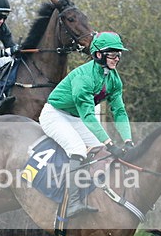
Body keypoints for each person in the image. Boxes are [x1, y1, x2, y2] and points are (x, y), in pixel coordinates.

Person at [39, 31, 134, 218]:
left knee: (101, 152)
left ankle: (93, 197)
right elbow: (89, 115)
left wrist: (128, 140)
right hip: (55, 115)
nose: (117, 58)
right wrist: (110, 144)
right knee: (78, 150)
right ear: (98, 54)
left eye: (118, 54)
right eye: (112, 54)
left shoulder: (114, 79)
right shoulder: (84, 78)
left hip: (77, 118)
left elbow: (119, 112)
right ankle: (72, 203)